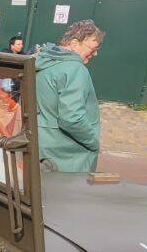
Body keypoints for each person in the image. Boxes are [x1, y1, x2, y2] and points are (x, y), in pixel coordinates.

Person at [35, 20, 104, 172]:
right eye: (93, 48)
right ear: (74, 43)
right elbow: (72, 118)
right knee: (70, 194)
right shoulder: (75, 69)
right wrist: (93, 142)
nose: (96, 53)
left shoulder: (42, 62)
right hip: (66, 155)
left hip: (41, 146)